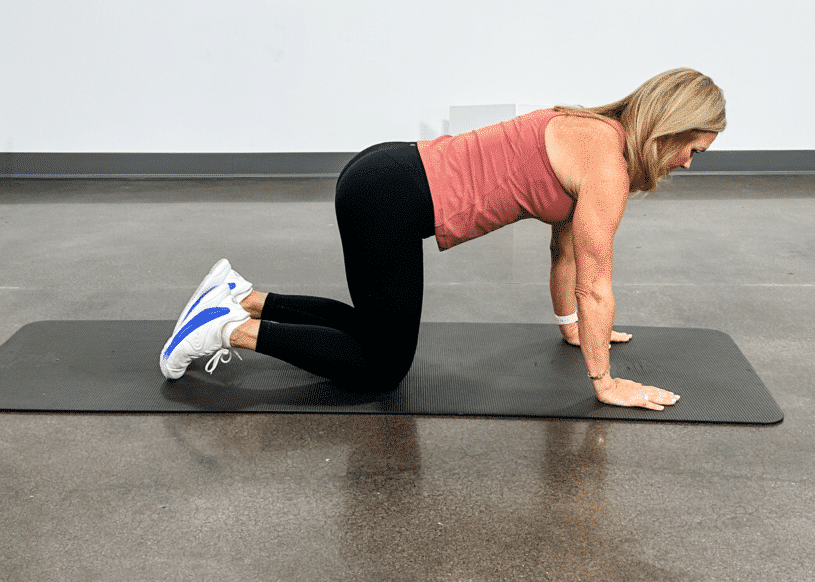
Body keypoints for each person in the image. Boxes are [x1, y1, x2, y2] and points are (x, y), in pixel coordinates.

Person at [158, 68, 727, 412]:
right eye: (692, 149)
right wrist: (605, 382)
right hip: (392, 201)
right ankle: (226, 328)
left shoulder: (593, 129)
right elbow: (596, 284)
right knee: (381, 367)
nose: (687, 162)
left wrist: (570, 329)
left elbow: (567, 251)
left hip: (385, 175)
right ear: (670, 127)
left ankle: (240, 295)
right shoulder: (608, 166)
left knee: (372, 331)